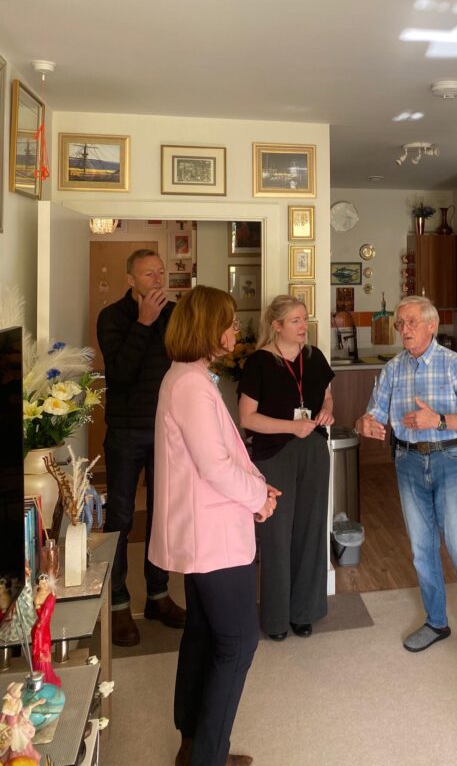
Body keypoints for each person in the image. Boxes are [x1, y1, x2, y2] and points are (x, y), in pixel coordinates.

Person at [148, 286, 278, 766]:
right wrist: (258, 497)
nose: (235, 330)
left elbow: (223, 456)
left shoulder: (190, 378)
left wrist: (257, 486)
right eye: (227, 321)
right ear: (206, 329)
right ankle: (207, 756)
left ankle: (192, 743)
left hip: (207, 531)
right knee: (238, 640)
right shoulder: (189, 384)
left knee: (203, 634)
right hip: (213, 537)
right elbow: (214, 466)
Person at [355, 295, 457, 668]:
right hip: (407, 462)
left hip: (450, 459)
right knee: (422, 549)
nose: (405, 329)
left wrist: (441, 421)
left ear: (431, 326)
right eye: (401, 323)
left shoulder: (456, 365)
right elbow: (373, 413)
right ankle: (436, 623)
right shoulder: (393, 369)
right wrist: (363, 424)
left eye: (412, 321)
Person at [97, 248, 185, 647]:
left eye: (160, 272)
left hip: (165, 429)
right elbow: (118, 373)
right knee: (119, 516)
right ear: (130, 279)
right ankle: (116, 604)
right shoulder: (112, 317)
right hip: (126, 431)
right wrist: (143, 323)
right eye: (148, 274)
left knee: (162, 515)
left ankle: (158, 596)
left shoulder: (173, 315)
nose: (157, 280)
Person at [238, 295, 334, 640]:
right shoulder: (259, 363)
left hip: (313, 452)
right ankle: (277, 618)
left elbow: (326, 395)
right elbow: (247, 418)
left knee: (311, 531)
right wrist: (291, 427)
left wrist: (326, 411)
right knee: (277, 536)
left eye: (304, 319)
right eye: (294, 320)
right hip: (275, 453)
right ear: (276, 325)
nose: (302, 326)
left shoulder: (315, 357)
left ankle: (304, 611)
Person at [31, 574, 59, 686]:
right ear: (38, 583)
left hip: (43, 628)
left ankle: (45, 675)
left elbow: (47, 614)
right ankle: (41, 676)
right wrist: (38, 629)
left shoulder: (51, 593)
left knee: (45, 651)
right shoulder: (37, 596)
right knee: (41, 652)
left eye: (46, 581)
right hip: (39, 629)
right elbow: (41, 615)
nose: (44, 583)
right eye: (41, 581)